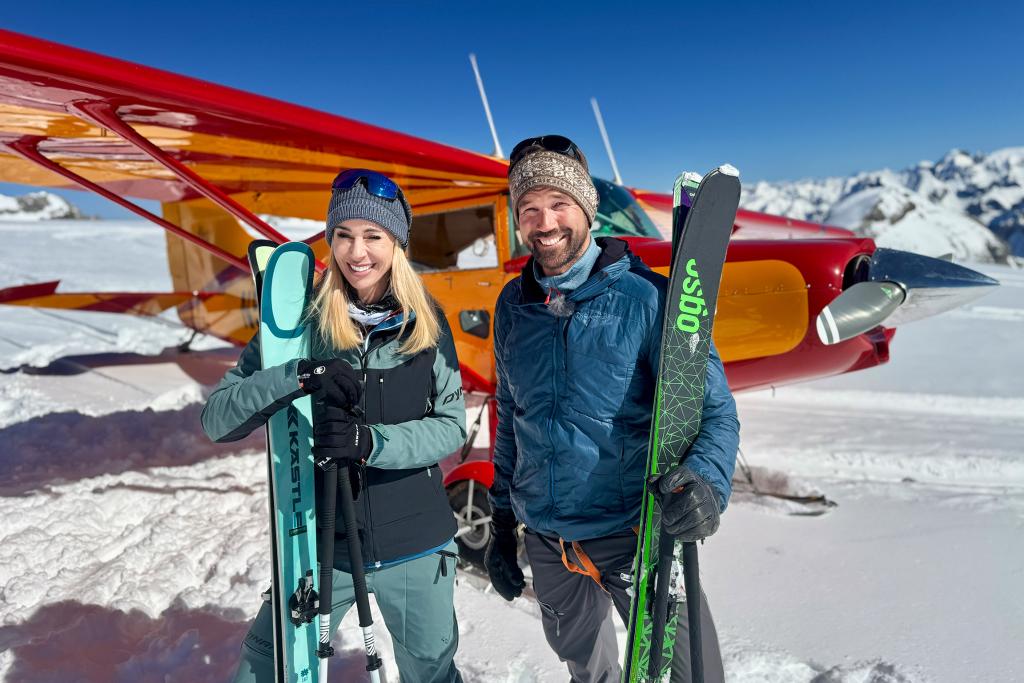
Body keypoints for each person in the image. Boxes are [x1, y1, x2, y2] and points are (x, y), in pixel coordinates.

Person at [485, 136, 739, 682]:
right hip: (548, 539)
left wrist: (707, 482)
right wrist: (502, 520)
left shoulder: (649, 298)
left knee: (692, 674)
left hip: (635, 534)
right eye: (529, 209)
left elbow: (715, 412)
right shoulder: (513, 305)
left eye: (559, 204)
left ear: (587, 209)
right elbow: (510, 416)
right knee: (587, 670)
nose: (544, 223)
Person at [201, 169, 466, 683]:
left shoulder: (426, 323)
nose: (356, 252)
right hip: (321, 548)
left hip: (416, 546)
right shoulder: (298, 324)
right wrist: (296, 374)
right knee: (261, 670)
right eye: (343, 235)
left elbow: (451, 426)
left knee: (431, 673)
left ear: (396, 244)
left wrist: (371, 442)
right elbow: (218, 418)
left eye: (373, 236)